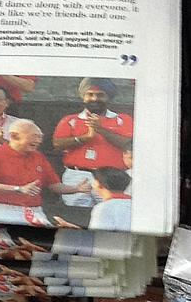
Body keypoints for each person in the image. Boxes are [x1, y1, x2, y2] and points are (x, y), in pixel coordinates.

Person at [54, 78, 133, 206]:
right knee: (76, 214)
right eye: (90, 94)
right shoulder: (70, 119)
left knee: (110, 212)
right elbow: (57, 144)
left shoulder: (123, 119)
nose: (94, 98)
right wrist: (86, 137)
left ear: (108, 97)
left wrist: (100, 129)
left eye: (100, 95)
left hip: (112, 177)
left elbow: (127, 144)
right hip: (77, 175)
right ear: (83, 97)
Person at [0, 120, 91, 207]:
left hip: (33, 209)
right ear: (14, 136)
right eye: (34, 136)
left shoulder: (38, 157)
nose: (39, 141)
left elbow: (54, 185)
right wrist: (18, 189)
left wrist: (76, 189)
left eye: (40, 137)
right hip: (2, 208)